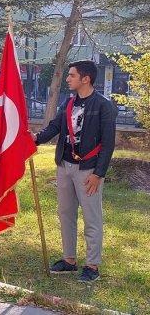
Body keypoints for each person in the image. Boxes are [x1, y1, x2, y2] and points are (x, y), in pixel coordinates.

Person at [35, 60, 118, 283]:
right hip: (65, 166)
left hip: (88, 169)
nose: (68, 79)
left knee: (92, 217)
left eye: (71, 75)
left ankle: (92, 266)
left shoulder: (103, 105)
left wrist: (98, 173)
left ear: (85, 79)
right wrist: (33, 140)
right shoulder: (68, 103)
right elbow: (55, 127)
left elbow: (108, 143)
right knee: (66, 214)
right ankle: (69, 260)